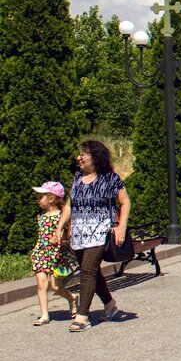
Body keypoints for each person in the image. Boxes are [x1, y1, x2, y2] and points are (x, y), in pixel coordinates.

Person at [54, 139, 130, 332]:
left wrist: (121, 227)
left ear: (95, 157)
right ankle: (110, 304)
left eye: (83, 154)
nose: (79, 157)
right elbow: (70, 206)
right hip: (78, 234)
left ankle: (82, 316)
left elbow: (125, 202)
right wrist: (60, 227)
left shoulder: (110, 178)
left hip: (100, 231)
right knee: (93, 271)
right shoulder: (77, 178)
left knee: (87, 270)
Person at [30, 181, 76, 326]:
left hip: (56, 255)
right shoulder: (41, 217)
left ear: (51, 198)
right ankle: (44, 315)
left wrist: (59, 239)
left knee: (56, 287)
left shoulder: (62, 216)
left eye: (41, 197)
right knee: (41, 283)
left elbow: (67, 235)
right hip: (41, 253)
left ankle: (72, 298)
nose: (38, 200)